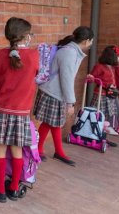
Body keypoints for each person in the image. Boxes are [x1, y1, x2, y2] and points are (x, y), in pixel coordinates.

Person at [0, 17, 39, 203]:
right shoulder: (34, 56)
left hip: (1, 111)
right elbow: (36, 74)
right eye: (30, 34)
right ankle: (14, 188)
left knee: (0, 148)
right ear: (25, 36)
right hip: (21, 113)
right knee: (17, 150)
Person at [34, 26, 94, 167]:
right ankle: (48, 151)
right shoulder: (70, 53)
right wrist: (70, 103)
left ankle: (50, 151)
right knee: (52, 123)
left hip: (54, 91)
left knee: (53, 123)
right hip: (53, 92)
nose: (91, 44)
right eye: (91, 41)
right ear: (86, 41)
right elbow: (66, 79)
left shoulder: (71, 51)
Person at [89, 46, 119, 136]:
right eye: (118, 56)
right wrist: (96, 81)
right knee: (99, 110)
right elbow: (92, 77)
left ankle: (107, 126)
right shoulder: (99, 67)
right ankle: (96, 127)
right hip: (101, 93)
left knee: (110, 111)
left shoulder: (112, 67)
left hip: (111, 93)